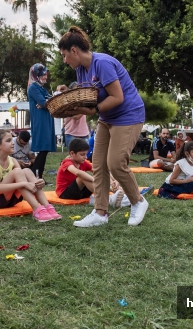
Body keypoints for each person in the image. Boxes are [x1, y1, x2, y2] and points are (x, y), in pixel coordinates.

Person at [58, 26, 149, 228]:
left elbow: (118, 97)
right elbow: (88, 98)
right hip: (107, 118)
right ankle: (100, 213)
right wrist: (67, 94)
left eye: (64, 55)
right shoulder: (82, 70)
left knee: (116, 163)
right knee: (98, 164)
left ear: (74, 50)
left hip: (128, 115)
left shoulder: (103, 63)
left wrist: (93, 110)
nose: (64, 60)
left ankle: (138, 201)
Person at [0, 129, 61, 222]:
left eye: (12, 140)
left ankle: (47, 207)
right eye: (8, 141)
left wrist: (38, 183)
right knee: (17, 172)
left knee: (27, 171)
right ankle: (37, 209)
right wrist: (23, 184)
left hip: (9, 200)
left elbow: (22, 178)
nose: (12, 143)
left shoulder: (13, 160)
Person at [27, 64, 56, 180]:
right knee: (43, 149)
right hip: (41, 121)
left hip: (46, 120)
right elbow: (45, 103)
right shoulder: (33, 88)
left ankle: (37, 175)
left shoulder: (41, 88)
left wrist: (48, 101)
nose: (45, 76)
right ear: (36, 75)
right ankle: (36, 176)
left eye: (45, 74)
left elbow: (49, 101)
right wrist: (47, 102)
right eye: (43, 74)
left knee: (45, 150)